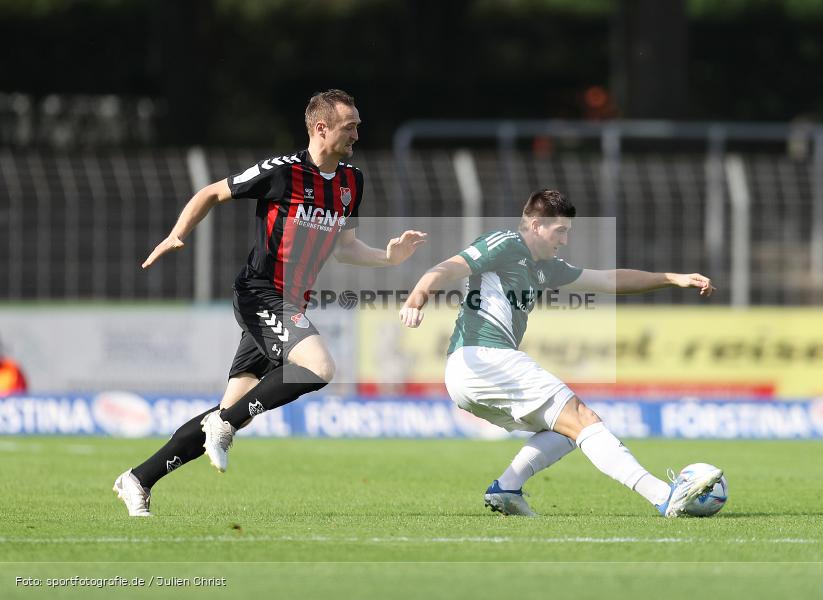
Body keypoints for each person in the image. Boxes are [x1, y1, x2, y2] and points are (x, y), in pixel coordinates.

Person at [114, 89, 427, 516]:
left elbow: (345, 246)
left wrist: (389, 257)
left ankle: (139, 478)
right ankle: (223, 425)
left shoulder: (353, 182)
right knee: (320, 368)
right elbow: (210, 192)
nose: (358, 132)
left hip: (292, 303)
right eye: (349, 125)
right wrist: (178, 233)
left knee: (232, 406)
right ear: (321, 128)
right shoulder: (282, 172)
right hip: (260, 293)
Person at [399, 189, 720, 517]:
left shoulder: (545, 267)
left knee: (566, 430)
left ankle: (507, 488)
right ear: (536, 225)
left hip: (471, 374)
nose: (565, 240)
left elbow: (609, 280)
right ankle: (664, 496)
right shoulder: (506, 242)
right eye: (560, 231)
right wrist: (418, 296)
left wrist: (672, 278)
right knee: (584, 419)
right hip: (484, 358)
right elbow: (447, 267)